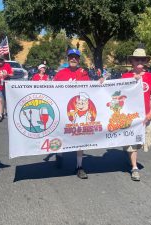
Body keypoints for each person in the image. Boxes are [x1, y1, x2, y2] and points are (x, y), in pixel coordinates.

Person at [121, 48, 151, 181]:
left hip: (145, 116)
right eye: (137, 59)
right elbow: (117, 92)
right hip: (131, 117)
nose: (140, 62)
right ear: (132, 61)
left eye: (142, 59)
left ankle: (132, 157)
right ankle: (134, 167)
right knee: (133, 143)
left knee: (146, 141)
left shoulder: (149, 77)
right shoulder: (125, 77)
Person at [53, 48, 90, 179]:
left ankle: (79, 166)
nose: (73, 59)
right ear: (68, 58)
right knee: (61, 133)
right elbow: (52, 90)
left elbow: (90, 91)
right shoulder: (60, 74)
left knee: (80, 137)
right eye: (71, 57)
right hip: (63, 110)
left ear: (79, 59)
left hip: (77, 111)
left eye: (76, 57)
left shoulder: (83, 73)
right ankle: (59, 153)